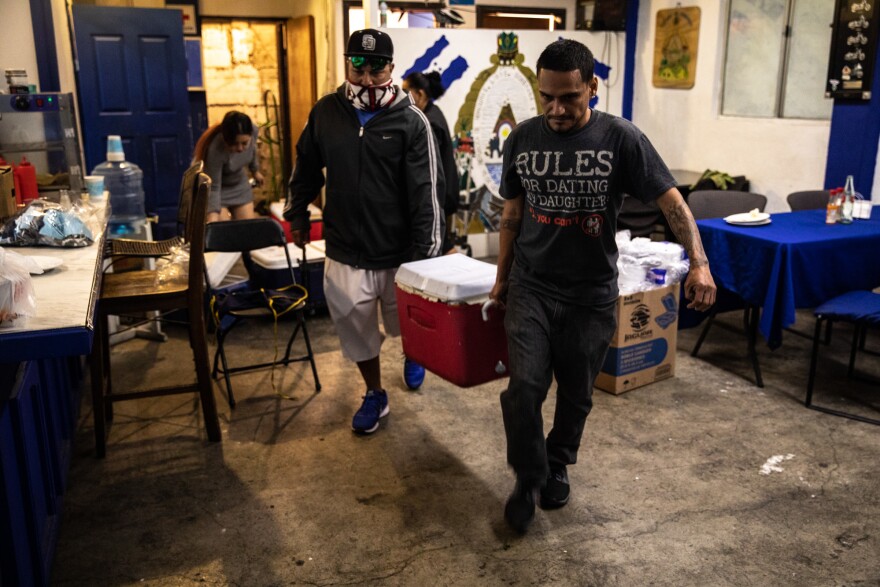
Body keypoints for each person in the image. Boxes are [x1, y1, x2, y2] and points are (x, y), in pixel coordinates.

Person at [490, 39, 717, 534]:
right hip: (532, 286)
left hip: (591, 294)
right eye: (546, 96)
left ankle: (558, 461)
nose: (556, 109)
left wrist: (698, 264)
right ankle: (528, 478)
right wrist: (501, 279)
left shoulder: (621, 138)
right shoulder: (523, 139)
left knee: (576, 394)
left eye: (569, 97)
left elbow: (672, 203)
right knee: (524, 388)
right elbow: (511, 212)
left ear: (592, 87)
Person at [283, 29, 445, 434]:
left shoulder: (412, 122)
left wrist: (425, 254)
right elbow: (304, 167)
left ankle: (414, 354)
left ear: (392, 67)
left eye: (377, 68)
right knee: (356, 330)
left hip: (398, 252)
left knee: (406, 324)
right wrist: (298, 215)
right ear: (347, 64)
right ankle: (374, 392)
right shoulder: (326, 112)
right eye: (358, 66)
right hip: (345, 249)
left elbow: (427, 192)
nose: (368, 79)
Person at [403, 70, 459, 253]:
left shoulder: (429, 122)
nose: (402, 97)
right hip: (443, 194)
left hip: (439, 197)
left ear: (419, 94)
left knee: (440, 246)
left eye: (406, 91)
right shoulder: (433, 113)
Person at [194, 111, 264, 223]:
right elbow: (214, 187)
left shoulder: (253, 131)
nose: (240, 148)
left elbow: (253, 150)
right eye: (234, 144)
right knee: (223, 229)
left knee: (247, 228)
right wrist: (212, 217)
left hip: (238, 184)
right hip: (218, 190)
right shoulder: (215, 149)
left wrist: (255, 170)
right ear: (225, 139)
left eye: (244, 143)